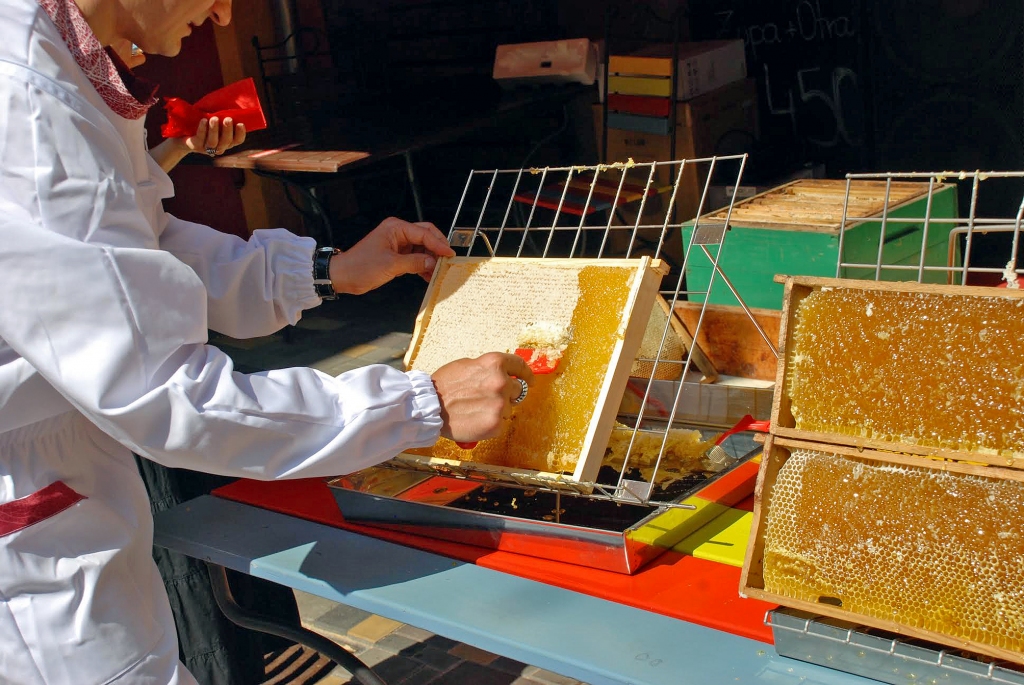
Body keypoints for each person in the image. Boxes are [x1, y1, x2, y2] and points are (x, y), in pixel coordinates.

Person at [0, 1, 533, 685]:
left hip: (65, 478)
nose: (225, 14)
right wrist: (418, 403)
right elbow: (168, 395)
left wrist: (326, 271)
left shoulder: (55, 60)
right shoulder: (29, 100)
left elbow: (137, 247)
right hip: (29, 530)